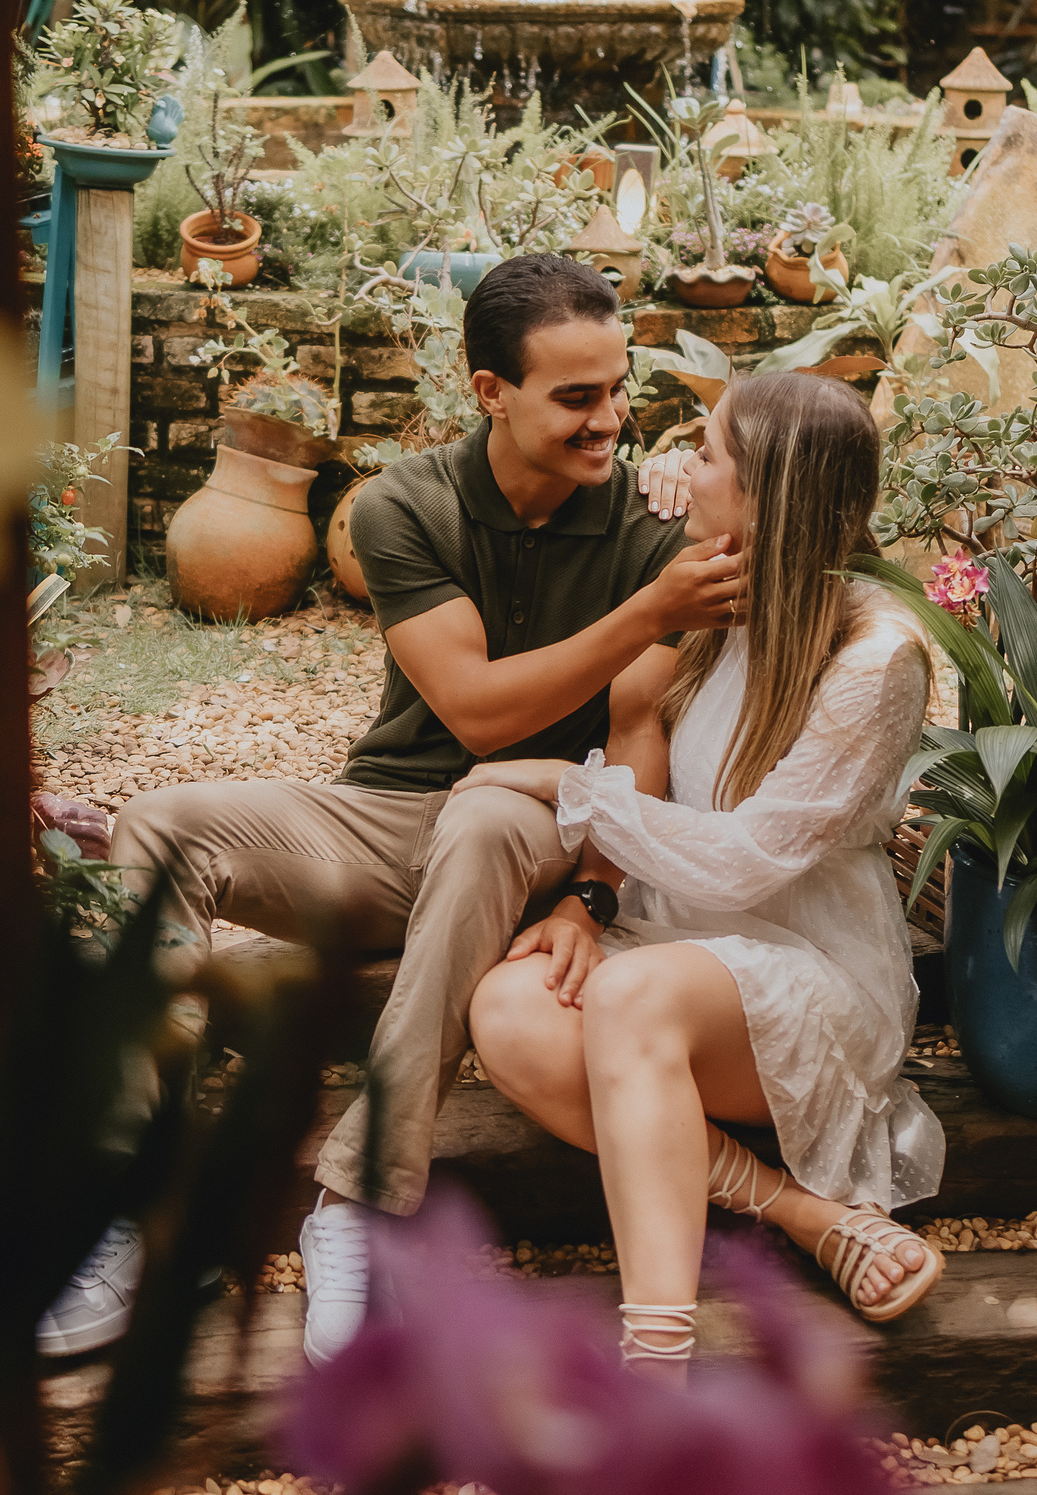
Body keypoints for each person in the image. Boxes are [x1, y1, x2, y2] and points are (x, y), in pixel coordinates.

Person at [38, 254, 737, 1366]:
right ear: (489, 391)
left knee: (486, 820)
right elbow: (473, 711)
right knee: (162, 824)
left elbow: (643, 728)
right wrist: (645, 611)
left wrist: (597, 894)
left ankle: (360, 1204)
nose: (610, 420)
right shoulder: (405, 504)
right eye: (576, 396)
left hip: (544, 825)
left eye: (619, 389)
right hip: (392, 816)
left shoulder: (652, 522)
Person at [459, 371, 947, 1375]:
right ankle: (808, 1215)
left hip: (813, 975)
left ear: (767, 495)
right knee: (507, 1011)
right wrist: (588, 903)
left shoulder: (876, 655)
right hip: (679, 946)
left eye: (709, 453)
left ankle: (656, 1353)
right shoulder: (722, 591)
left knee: (630, 997)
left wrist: (571, 787)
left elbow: (746, 859)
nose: (684, 466)